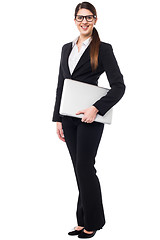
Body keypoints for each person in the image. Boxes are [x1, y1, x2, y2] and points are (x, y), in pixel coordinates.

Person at [52, 2, 126, 238]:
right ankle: (83, 219)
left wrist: (96, 109)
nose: (84, 21)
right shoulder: (66, 48)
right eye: (80, 18)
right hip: (68, 117)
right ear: (74, 20)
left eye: (89, 17)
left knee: (85, 167)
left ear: (95, 20)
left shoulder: (103, 49)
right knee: (79, 169)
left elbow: (119, 87)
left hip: (90, 118)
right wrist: (57, 118)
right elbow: (61, 85)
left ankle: (93, 222)